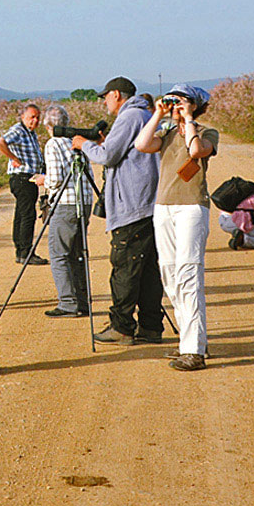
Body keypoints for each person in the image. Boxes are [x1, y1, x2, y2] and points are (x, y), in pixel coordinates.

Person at [73, 77, 165, 345]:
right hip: (148, 204)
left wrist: (83, 145)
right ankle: (151, 326)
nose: (104, 102)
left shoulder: (129, 117)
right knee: (148, 270)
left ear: (116, 94)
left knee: (124, 268)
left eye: (105, 97)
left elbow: (107, 157)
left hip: (132, 206)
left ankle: (122, 327)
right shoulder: (145, 114)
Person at [134, 84, 217, 371]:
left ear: (196, 104)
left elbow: (196, 151)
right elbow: (142, 145)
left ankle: (194, 350)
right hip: (164, 207)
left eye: (183, 100)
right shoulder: (166, 132)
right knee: (169, 274)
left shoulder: (206, 132)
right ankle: (189, 341)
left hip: (192, 207)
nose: (177, 104)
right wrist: (158, 114)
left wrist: (189, 118)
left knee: (189, 272)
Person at [40, 106, 96, 317]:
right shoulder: (76, 140)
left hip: (65, 204)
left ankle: (67, 303)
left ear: (49, 126)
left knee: (59, 254)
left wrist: (42, 180)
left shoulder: (53, 143)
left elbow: (54, 179)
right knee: (77, 254)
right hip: (84, 201)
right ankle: (82, 301)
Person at [0, 104, 47, 265]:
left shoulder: (30, 133)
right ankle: (26, 252)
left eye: (38, 117)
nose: (36, 120)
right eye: (32, 117)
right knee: (27, 215)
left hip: (28, 177)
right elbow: (0, 143)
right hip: (22, 177)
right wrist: (13, 158)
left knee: (21, 214)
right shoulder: (18, 130)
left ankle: (21, 251)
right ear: (23, 117)